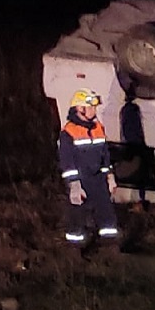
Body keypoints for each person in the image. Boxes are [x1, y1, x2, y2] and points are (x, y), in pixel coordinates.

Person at [57, 88, 119, 255]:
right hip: (81, 180)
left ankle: (109, 247)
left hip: (98, 178)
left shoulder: (98, 127)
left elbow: (105, 154)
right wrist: (74, 185)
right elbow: (66, 161)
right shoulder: (68, 132)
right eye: (90, 107)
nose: (94, 110)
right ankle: (74, 250)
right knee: (77, 213)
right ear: (80, 109)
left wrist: (109, 175)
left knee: (106, 211)